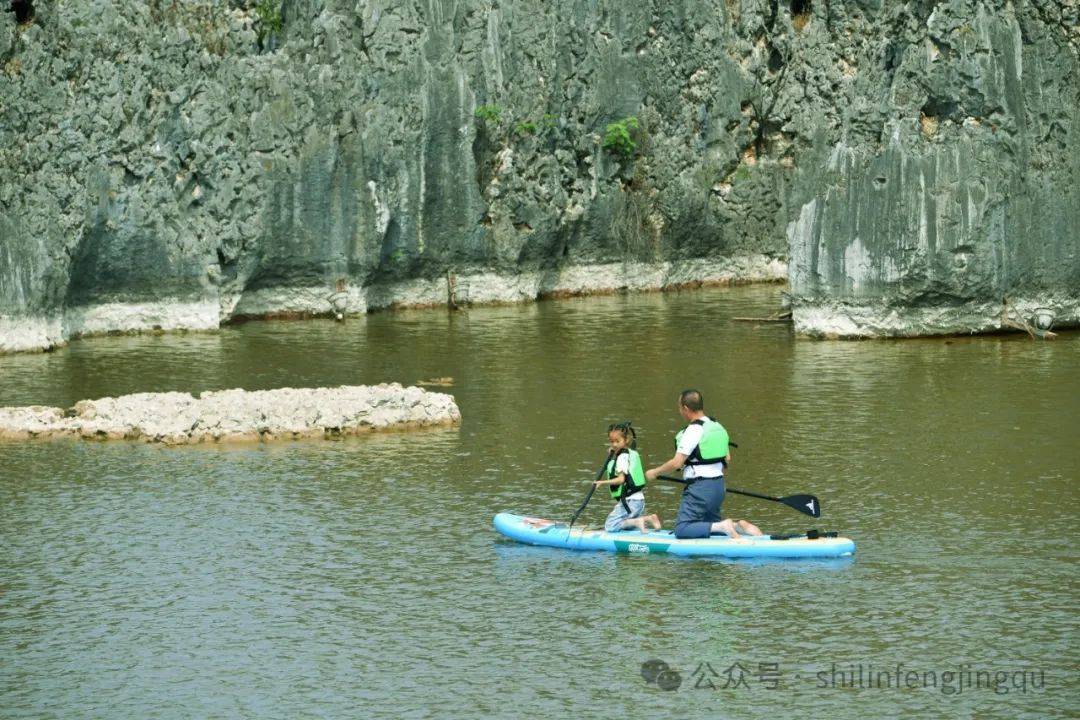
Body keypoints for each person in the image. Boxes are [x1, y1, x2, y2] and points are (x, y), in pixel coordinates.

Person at [644, 389, 763, 540]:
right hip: (718, 486)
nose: (679, 411)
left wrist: (654, 472)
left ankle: (724, 526)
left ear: (685, 408)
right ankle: (736, 526)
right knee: (709, 526)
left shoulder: (694, 430)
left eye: (679, 407)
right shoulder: (717, 426)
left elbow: (677, 463)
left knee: (682, 529)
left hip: (700, 488)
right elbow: (727, 459)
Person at [594, 422, 662, 533]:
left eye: (617, 441)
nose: (614, 444)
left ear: (626, 440)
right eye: (611, 441)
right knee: (625, 523)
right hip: (638, 501)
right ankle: (648, 519)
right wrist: (614, 452)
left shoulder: (622, 458)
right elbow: (620, 454)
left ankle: (638, 521)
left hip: (630, 501)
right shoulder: (629, 453)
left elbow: (621, 479)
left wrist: (602, 482)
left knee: (610, 525)